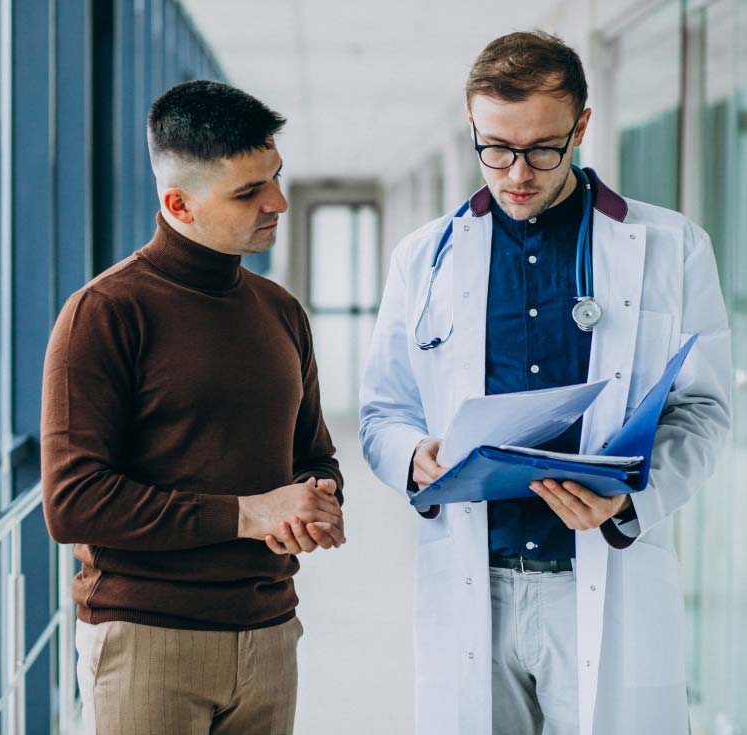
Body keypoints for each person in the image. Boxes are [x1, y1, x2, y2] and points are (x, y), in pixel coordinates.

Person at [359, 31, 731, 735]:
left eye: (541, 149)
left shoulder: (670, 247)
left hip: (601, 567)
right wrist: (414, 455)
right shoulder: (423, 259)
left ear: (581, 126)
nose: (516, 173)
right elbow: (384, 409)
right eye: (495, 147)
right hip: (475, 581)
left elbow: (705, 409)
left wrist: (628, 498)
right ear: (473, 128)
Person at [41, 80, 345, 735]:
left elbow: (313, 454)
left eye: (275, 178)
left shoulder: (280, 311)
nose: (278, 203)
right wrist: (251, 513)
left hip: (269, 633)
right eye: (247, 192)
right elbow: (73, 503)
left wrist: (314, 498)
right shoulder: (106, 313)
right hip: (149, 640)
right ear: (177, 202)